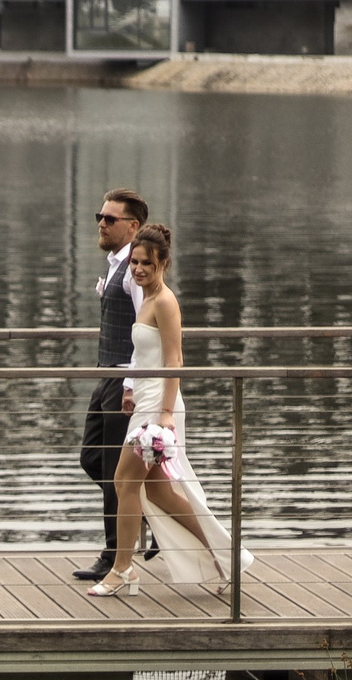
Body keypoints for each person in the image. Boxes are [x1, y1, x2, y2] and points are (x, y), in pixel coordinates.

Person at [88, 224, 247, 597]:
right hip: (143, 397)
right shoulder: (144, 299)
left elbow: (175, 358)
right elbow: (144, 354)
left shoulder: (165, 301)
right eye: (135, 263)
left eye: (147, 263)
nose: (138, 269)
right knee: (160, 494)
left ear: (163, 263)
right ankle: (224, 557)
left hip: (160, 404)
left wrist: (165, 415)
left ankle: (122, 569)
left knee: (124, 482)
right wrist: (129, 388)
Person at [75, 188, 148, 582]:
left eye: (110, 219)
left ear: (132, 226)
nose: (101, 224)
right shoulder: (116, 264)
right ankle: (145, 511)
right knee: (91, 459)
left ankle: (113, 556)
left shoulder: (136, 270)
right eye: (99, 217)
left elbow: (144, 329)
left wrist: (132, 385)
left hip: (124, 380)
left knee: (112, 471)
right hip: (107, 375)